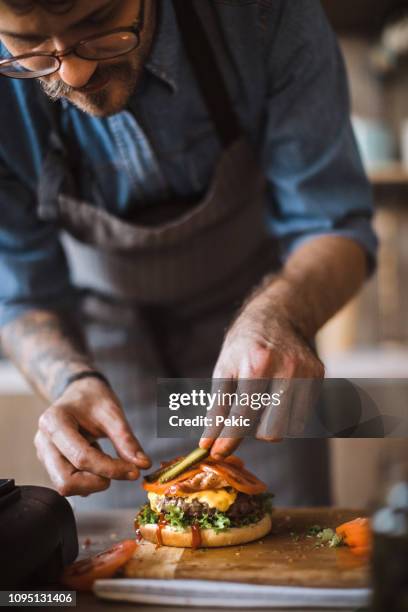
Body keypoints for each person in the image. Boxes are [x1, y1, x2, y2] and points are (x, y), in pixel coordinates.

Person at [0, 0, 377, 509]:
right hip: (102, 360)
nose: (75, 71)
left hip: (261, 343)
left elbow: (333, 226)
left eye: (97, 27)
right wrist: (69, 379)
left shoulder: (266, 14)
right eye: (31, 47)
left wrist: (278, 315)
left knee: (282, 534)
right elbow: (22, 293)